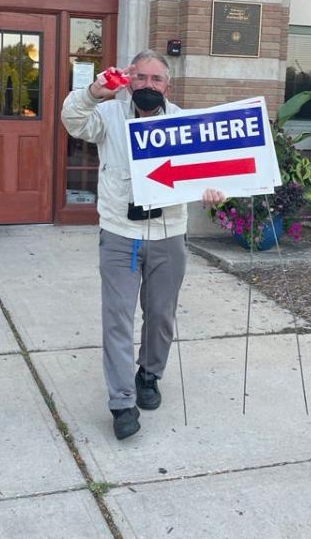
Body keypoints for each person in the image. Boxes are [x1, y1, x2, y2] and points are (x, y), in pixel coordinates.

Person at [61, 49, 224, 440]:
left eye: (157, 80)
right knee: (117, 319)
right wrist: (93, 92)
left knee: (161, 316)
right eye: (142, 78)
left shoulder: (186, 123)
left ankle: (149, 375)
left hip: (168, 235)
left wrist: (218, 191)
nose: (148, 86)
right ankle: (121, 401)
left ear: (168, 86)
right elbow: (72, 120)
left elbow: (213, 168)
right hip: (120, 235)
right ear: (130, 81)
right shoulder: (109, 116)